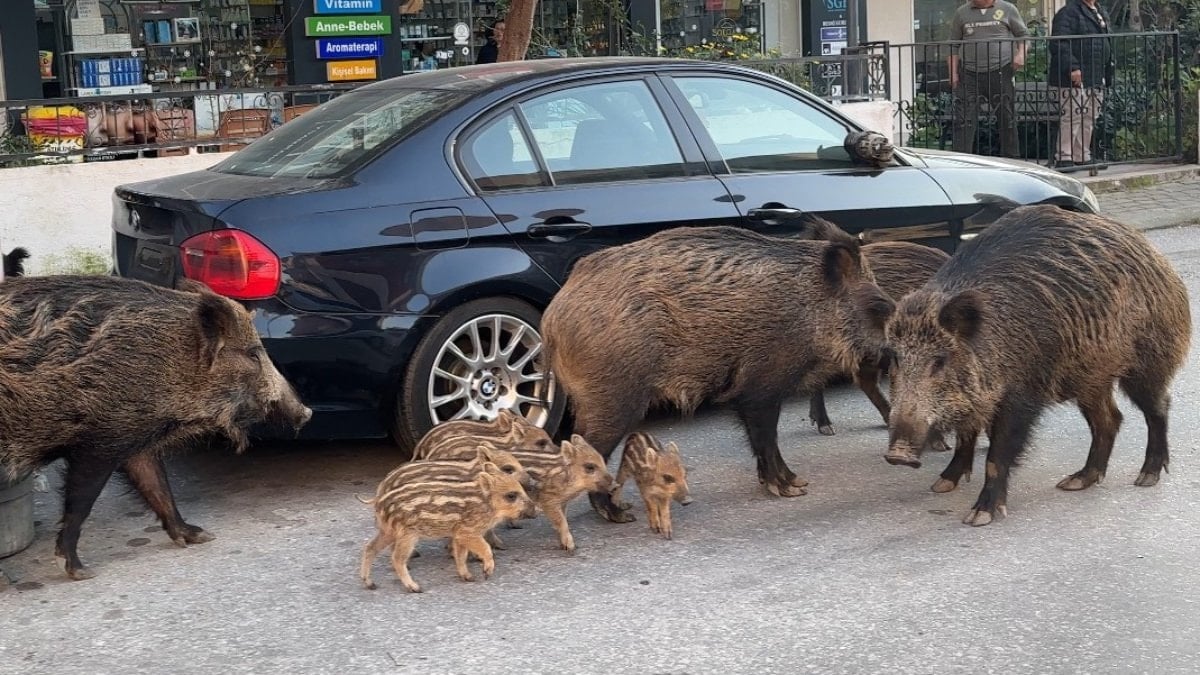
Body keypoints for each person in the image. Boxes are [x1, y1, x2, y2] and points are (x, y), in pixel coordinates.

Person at [948, 0, 1030, 158]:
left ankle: (1012, 160)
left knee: (1007, 119)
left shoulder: (1007, 9)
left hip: (1001, 70)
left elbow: (1023, 35)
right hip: (969, 73)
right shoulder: (961, 13)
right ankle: (960, 161)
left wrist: (1021, 54)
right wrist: (953, 73)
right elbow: (953, 45)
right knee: (964, 120)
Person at [1048, 0, 1114, 170]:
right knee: (1072, 115)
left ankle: (1082, 154)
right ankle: (1064, 156)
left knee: (1089, 115)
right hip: (1073, 76)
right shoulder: (1068, 12)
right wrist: (1072, 67)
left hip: (1095, 73)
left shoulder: (1099, 11)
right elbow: (1059, 43)